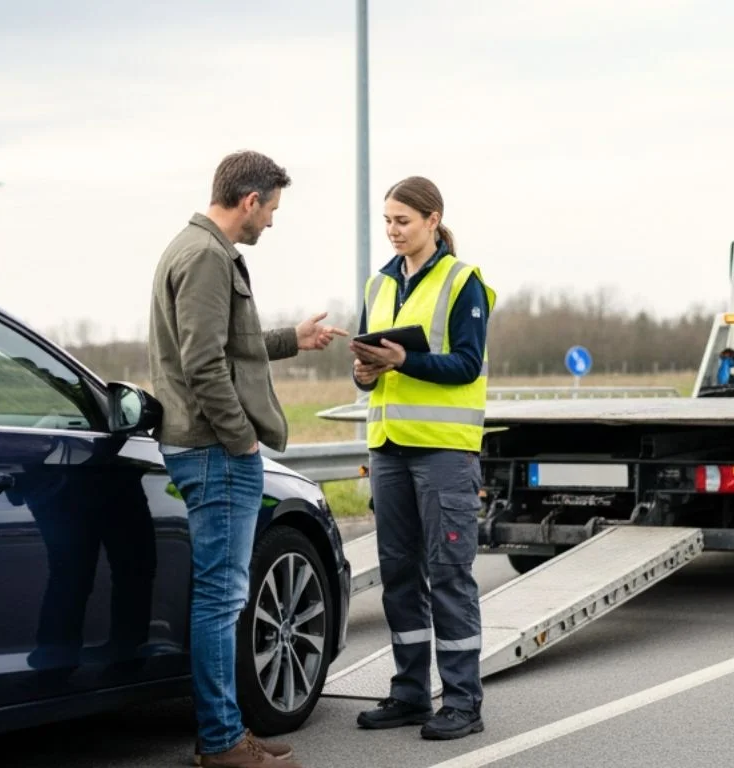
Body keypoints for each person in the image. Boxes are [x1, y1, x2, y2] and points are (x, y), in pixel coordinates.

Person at [148, 150, 344, 768]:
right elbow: (203, 363)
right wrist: (242, 439)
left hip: (206, 446)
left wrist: (295, 338)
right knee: (221, 597)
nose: (272, 224)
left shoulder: (192, 248)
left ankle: (226, 733)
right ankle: (223, 742)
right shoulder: (207, 257)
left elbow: (230, 344)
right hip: (215, 450)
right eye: (272, 210)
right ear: (250, 201)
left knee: (220, 594)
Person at [349, 176, 496, 741]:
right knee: (398, 576)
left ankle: (462, 702)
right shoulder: (378, 285)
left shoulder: (464, 282)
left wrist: (403, 359)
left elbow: (466, 365)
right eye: (387, 220)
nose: (392, 230)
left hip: (443, 454)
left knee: (448, 574)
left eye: (402, 221)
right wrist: (364, 370)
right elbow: (370, 364)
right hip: (389, 449)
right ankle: (410, 694)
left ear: (433, 221)